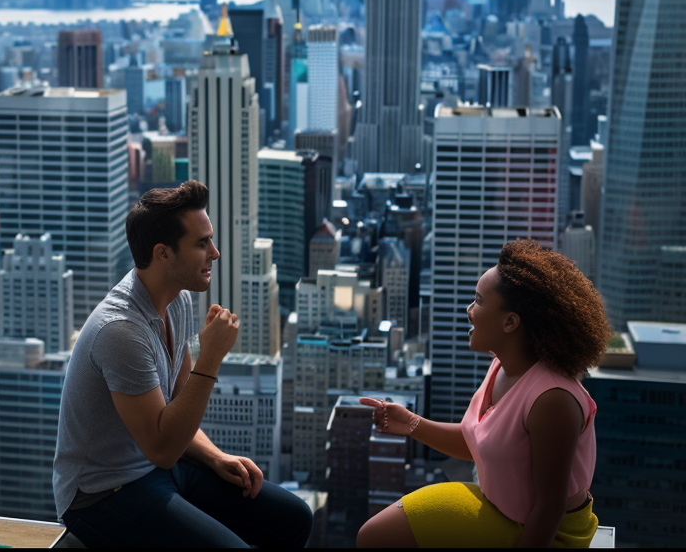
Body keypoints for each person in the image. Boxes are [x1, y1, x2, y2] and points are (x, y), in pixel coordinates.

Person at [53, 180, 313, 548]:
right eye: (202, 243)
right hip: (103, 493)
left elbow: (178, 407)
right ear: (163, 253)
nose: (216, 253)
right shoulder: (121, 331)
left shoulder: (178, 302)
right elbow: (163, 446)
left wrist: (216, 457)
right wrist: (211, 357)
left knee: (294, 518)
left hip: (159, 470)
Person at [357, 240, 611, 548]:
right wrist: (410, 423)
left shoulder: (553, 400)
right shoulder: (502, 366)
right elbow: (482, 444)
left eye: (478, 301)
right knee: (374, 535)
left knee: (376, 538)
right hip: (501, 510)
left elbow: (550, 508)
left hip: (546, 532)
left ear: (510, 322)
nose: (469, 310)